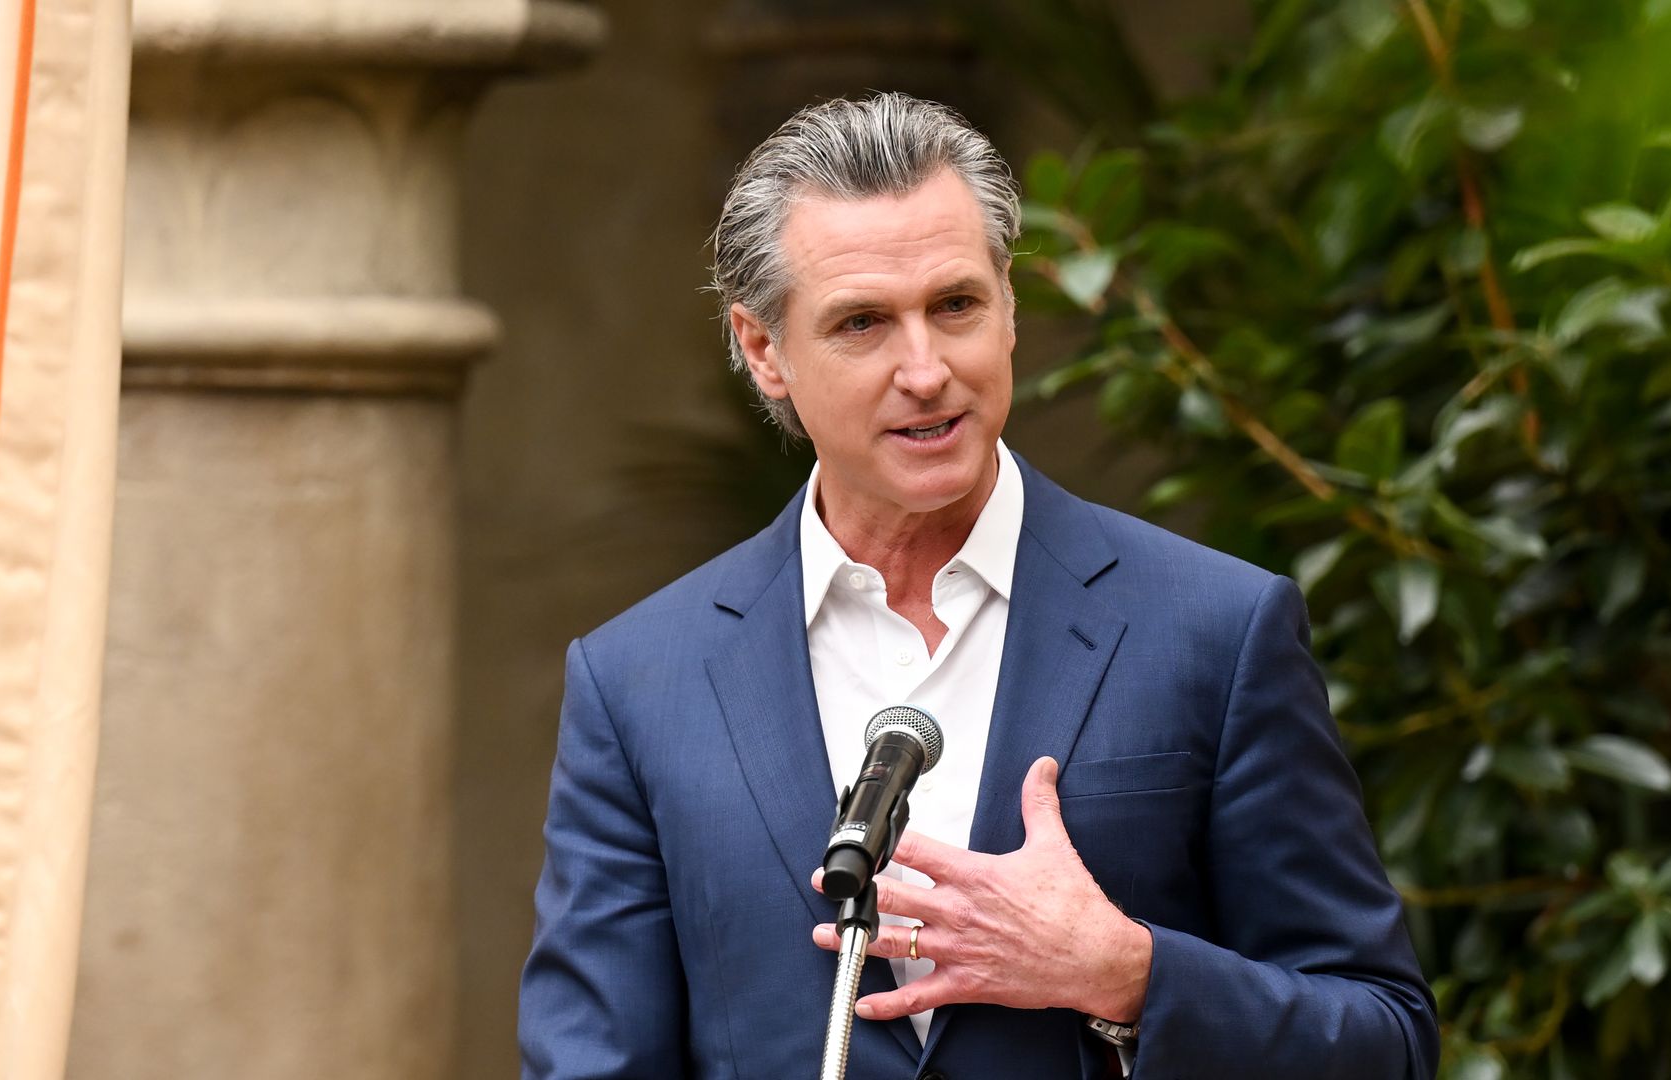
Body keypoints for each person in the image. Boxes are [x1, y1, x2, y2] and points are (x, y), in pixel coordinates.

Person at [519, 92, 1438, 1079]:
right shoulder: (642, 682)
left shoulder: (1215, 630)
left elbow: (1384, 1039)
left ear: (1007, 307)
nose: (926, 369)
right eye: (863, 322)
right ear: (763, 351)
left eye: (955, 305)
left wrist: (1127, 974)